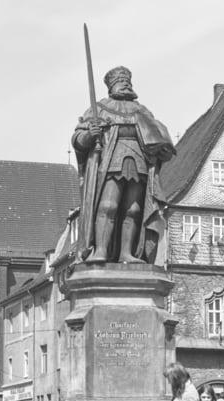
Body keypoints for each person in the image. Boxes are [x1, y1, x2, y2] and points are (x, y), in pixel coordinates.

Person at [72, 65, 175, 265]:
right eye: (120, 82)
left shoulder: (142, 110)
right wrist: (89, 134)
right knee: (108, 205)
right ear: (111, 87)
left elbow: (158, 136)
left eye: (128, 81)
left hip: (139, 161)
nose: (125, 85)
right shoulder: (99, 108)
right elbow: (78, 139)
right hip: (111, 160)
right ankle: (101, 250)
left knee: (133, 209)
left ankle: (126, 253)